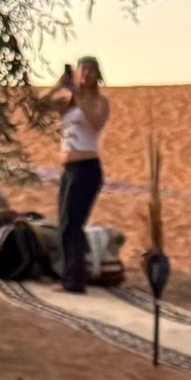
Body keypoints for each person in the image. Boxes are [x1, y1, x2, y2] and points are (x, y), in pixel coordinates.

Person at [48, 57, 112, 292]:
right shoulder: (69, 103)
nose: (86, 74)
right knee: (65, 223)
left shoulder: (99, 102)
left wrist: (77, 92)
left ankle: (74, 280)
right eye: (82, 70)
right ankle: (69, 275)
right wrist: (58, 86)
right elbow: (38, 106)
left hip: (87, 169)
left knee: (73, 224)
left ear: (97, 75)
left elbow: (95, 123)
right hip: (69, 169)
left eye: (91, 70)